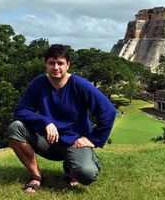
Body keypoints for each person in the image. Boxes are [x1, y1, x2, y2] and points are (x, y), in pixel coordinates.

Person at [7, 44, 117, 193]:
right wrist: (45, 122)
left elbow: (108, 111)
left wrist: (94, 139)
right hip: (48, 141)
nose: (56, 67)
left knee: (87, 174)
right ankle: (36, 176)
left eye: (60, 63)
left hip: (74, 141)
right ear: (46, 64)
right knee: (16, 127)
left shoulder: (79, 84)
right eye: (52, 63)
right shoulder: (39, 83)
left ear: (68, 65)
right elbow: (21, 110)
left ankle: (73, 166)